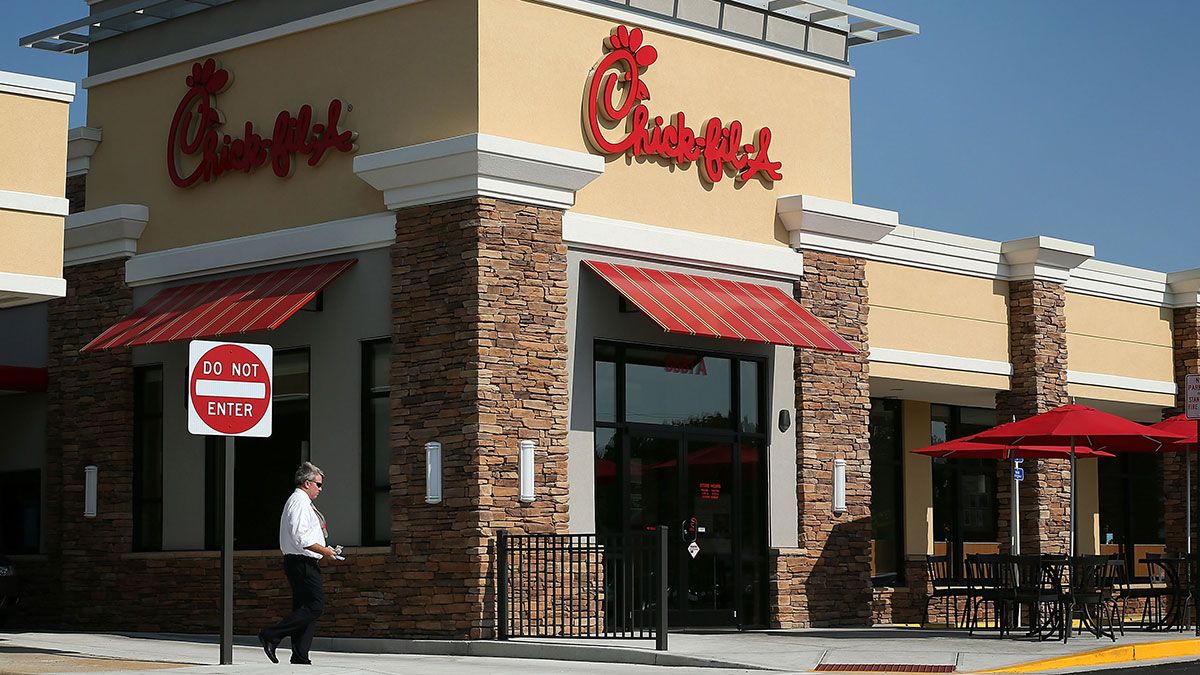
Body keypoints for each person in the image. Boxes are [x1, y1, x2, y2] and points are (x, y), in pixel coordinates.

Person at [258, 462, 339, 665]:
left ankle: (300, 655)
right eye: (318, 484)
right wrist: (325, 551)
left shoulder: (300, 502)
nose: (321, 489)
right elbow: (300, 537)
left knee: (305, 608)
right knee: (315, 606)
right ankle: (271, 634)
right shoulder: (299, 502)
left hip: (301, 561)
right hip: (302, 562)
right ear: (306, 483)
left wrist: (324, 550)